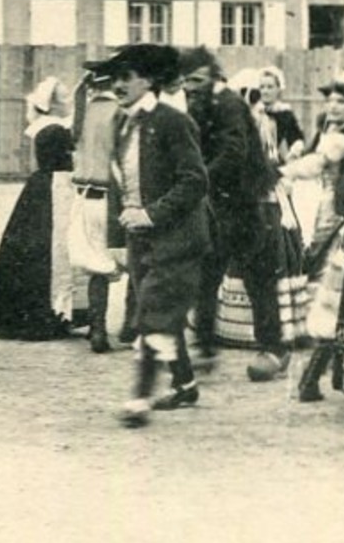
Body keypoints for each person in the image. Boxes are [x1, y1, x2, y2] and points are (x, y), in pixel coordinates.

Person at [104, 45, 212, 427]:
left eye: (125, 77)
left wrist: (151, 214)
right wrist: (116, 236)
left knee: (150, 313)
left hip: (178, 238)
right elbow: (117, 183)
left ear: (147, 80)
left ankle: (139, 399)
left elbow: (195, 180)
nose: (117, 85)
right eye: (114, 78)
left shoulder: (172, 121)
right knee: (161, 312)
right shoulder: (121, 123)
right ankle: (184, 384)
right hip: (139, 240)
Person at [181, 48, 289, 381]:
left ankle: (274, 348)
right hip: (217, 204)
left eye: (196, 80)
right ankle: (205, 345)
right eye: (185, 81)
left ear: (212, 77)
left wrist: (198, 180)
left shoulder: (228, 104)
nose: (190, 87)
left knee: (257, 277)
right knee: (206, 273)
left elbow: (233, 152)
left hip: (244, 204)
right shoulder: (198, 104)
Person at [283, 70, 344, 402]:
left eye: (341, 100)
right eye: (330, 100)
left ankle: (318, 377)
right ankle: (319, 377)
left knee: (336, 289)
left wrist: (281, 172)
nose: (333, 106)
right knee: (336, 292)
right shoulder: (336, 126)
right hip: (333, 207)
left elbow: (320, 162)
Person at [0, 78, 82, 340]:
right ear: (53, 103)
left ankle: (53, 311)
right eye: (64, 98)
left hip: (48, 186)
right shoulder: (54, 128)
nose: (68, 102)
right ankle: (44, 313)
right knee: (49, 248)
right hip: (55, 188)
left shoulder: (48, 126)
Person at [71, 63, 128, 353]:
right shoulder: (121, 112)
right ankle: (133, 328)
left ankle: (98, 329)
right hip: (114, 194)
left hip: (85, 195)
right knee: (137, 260)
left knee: (96, 265)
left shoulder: (83, 111)